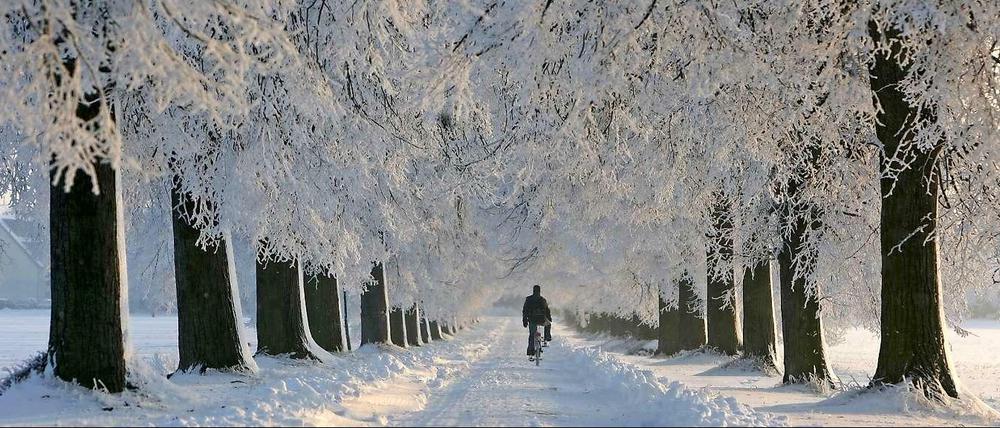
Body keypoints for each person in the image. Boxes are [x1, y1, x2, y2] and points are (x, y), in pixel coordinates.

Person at [522, 284, 552, 357]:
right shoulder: (542, 299)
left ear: (533, 290)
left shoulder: (528, 299)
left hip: (532, 320)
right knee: (548, 324)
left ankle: (530, 352)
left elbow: (525, 310)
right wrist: (549, 318)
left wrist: (524, 320)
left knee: (532, 335)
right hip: (541, 319)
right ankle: (546, 338)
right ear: (539, 291)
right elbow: (547, 310)